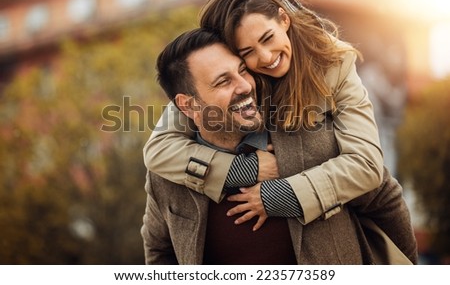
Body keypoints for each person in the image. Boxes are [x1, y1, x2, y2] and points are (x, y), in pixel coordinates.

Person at [141, 28, 417, 264]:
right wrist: (243, 170)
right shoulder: (168, 176)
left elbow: (385, 201)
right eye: (223, 81)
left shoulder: (313, 139)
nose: (245, 86)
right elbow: (160, 251)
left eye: (242, 71)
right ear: (188, 105)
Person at [144, 0, 385, 228]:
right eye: (247, 51)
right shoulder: (222, 81)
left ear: (283, 19)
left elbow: (366, 164)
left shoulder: (334, 63)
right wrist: (244, 169)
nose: (267, 57)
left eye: (267, 38)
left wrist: (279, 195)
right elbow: (160, 150)